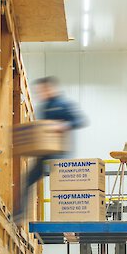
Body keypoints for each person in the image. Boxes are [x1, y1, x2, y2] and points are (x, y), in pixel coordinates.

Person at [16, 76, 87, 223]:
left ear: (51, 88)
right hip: (45, 154)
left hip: (61, 153)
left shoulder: (63, 104)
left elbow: (81, 120)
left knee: (63, 184)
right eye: (39, 91)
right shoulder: (44, 106)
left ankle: (72, 214)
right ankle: (20, 213)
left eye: (43, 90)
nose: (41, 93)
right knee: (28, 179)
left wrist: (65, 125)